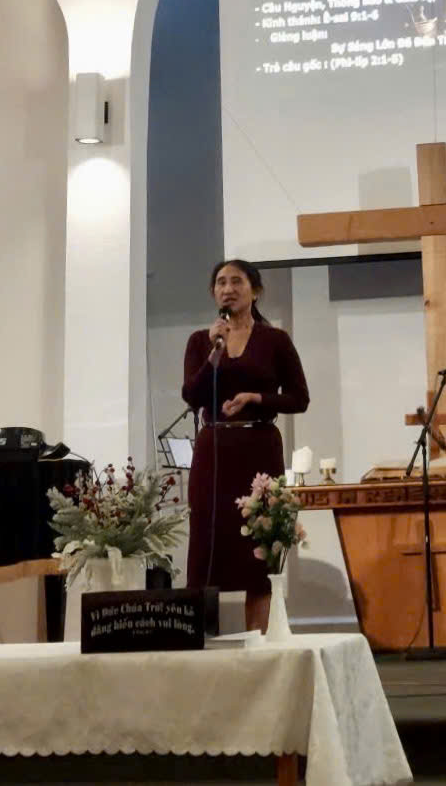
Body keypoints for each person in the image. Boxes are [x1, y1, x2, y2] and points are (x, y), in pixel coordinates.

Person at [182, 260, 309, 632]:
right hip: (214, 451)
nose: (228, 289)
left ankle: (260, 640)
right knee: (207, 544)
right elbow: (192, 395)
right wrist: (214, 352)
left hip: (259, 449)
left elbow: (299, 398)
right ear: (213, 293)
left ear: (255, 290)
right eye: (220, 282)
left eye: (236, 281)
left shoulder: (275, 340)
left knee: (258, 547)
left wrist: (256, 397)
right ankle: (204, 641)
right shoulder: (200, 341)